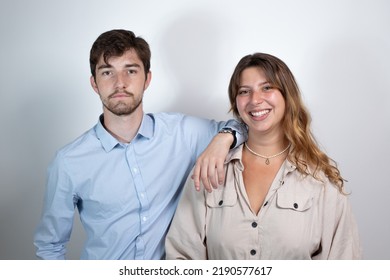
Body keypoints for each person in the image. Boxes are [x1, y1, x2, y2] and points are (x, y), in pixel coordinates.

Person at [33, 29, 247, 260]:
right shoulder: (68, 161)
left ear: (147, 79)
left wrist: (222, 139)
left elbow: (246, 125)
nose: (120, 83)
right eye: (107, 73)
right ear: (94, 84)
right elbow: (50, 246)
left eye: (131, 71)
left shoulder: (181, 133)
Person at [165, 52, 362, 259]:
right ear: (236, 102)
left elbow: (344, 259)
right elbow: (181, 255)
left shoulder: (319, 177)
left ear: (287, 95)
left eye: (267, 88)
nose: (255, 100)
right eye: (244, 91)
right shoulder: (210, 169)